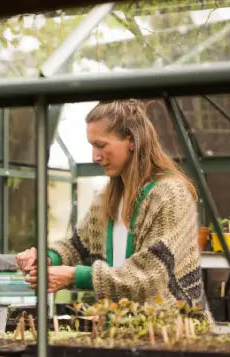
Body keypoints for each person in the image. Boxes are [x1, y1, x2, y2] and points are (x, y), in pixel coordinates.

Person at [16, 99, 203, 307]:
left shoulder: (169, 194)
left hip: (171, 329)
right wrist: (46, 258)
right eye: (92, 146)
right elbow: (77, 246)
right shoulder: (107, 199)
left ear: (131, 140)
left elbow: (150, 274)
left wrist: (75, 276)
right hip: (123, 329)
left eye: (101, 145)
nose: (95, 156)